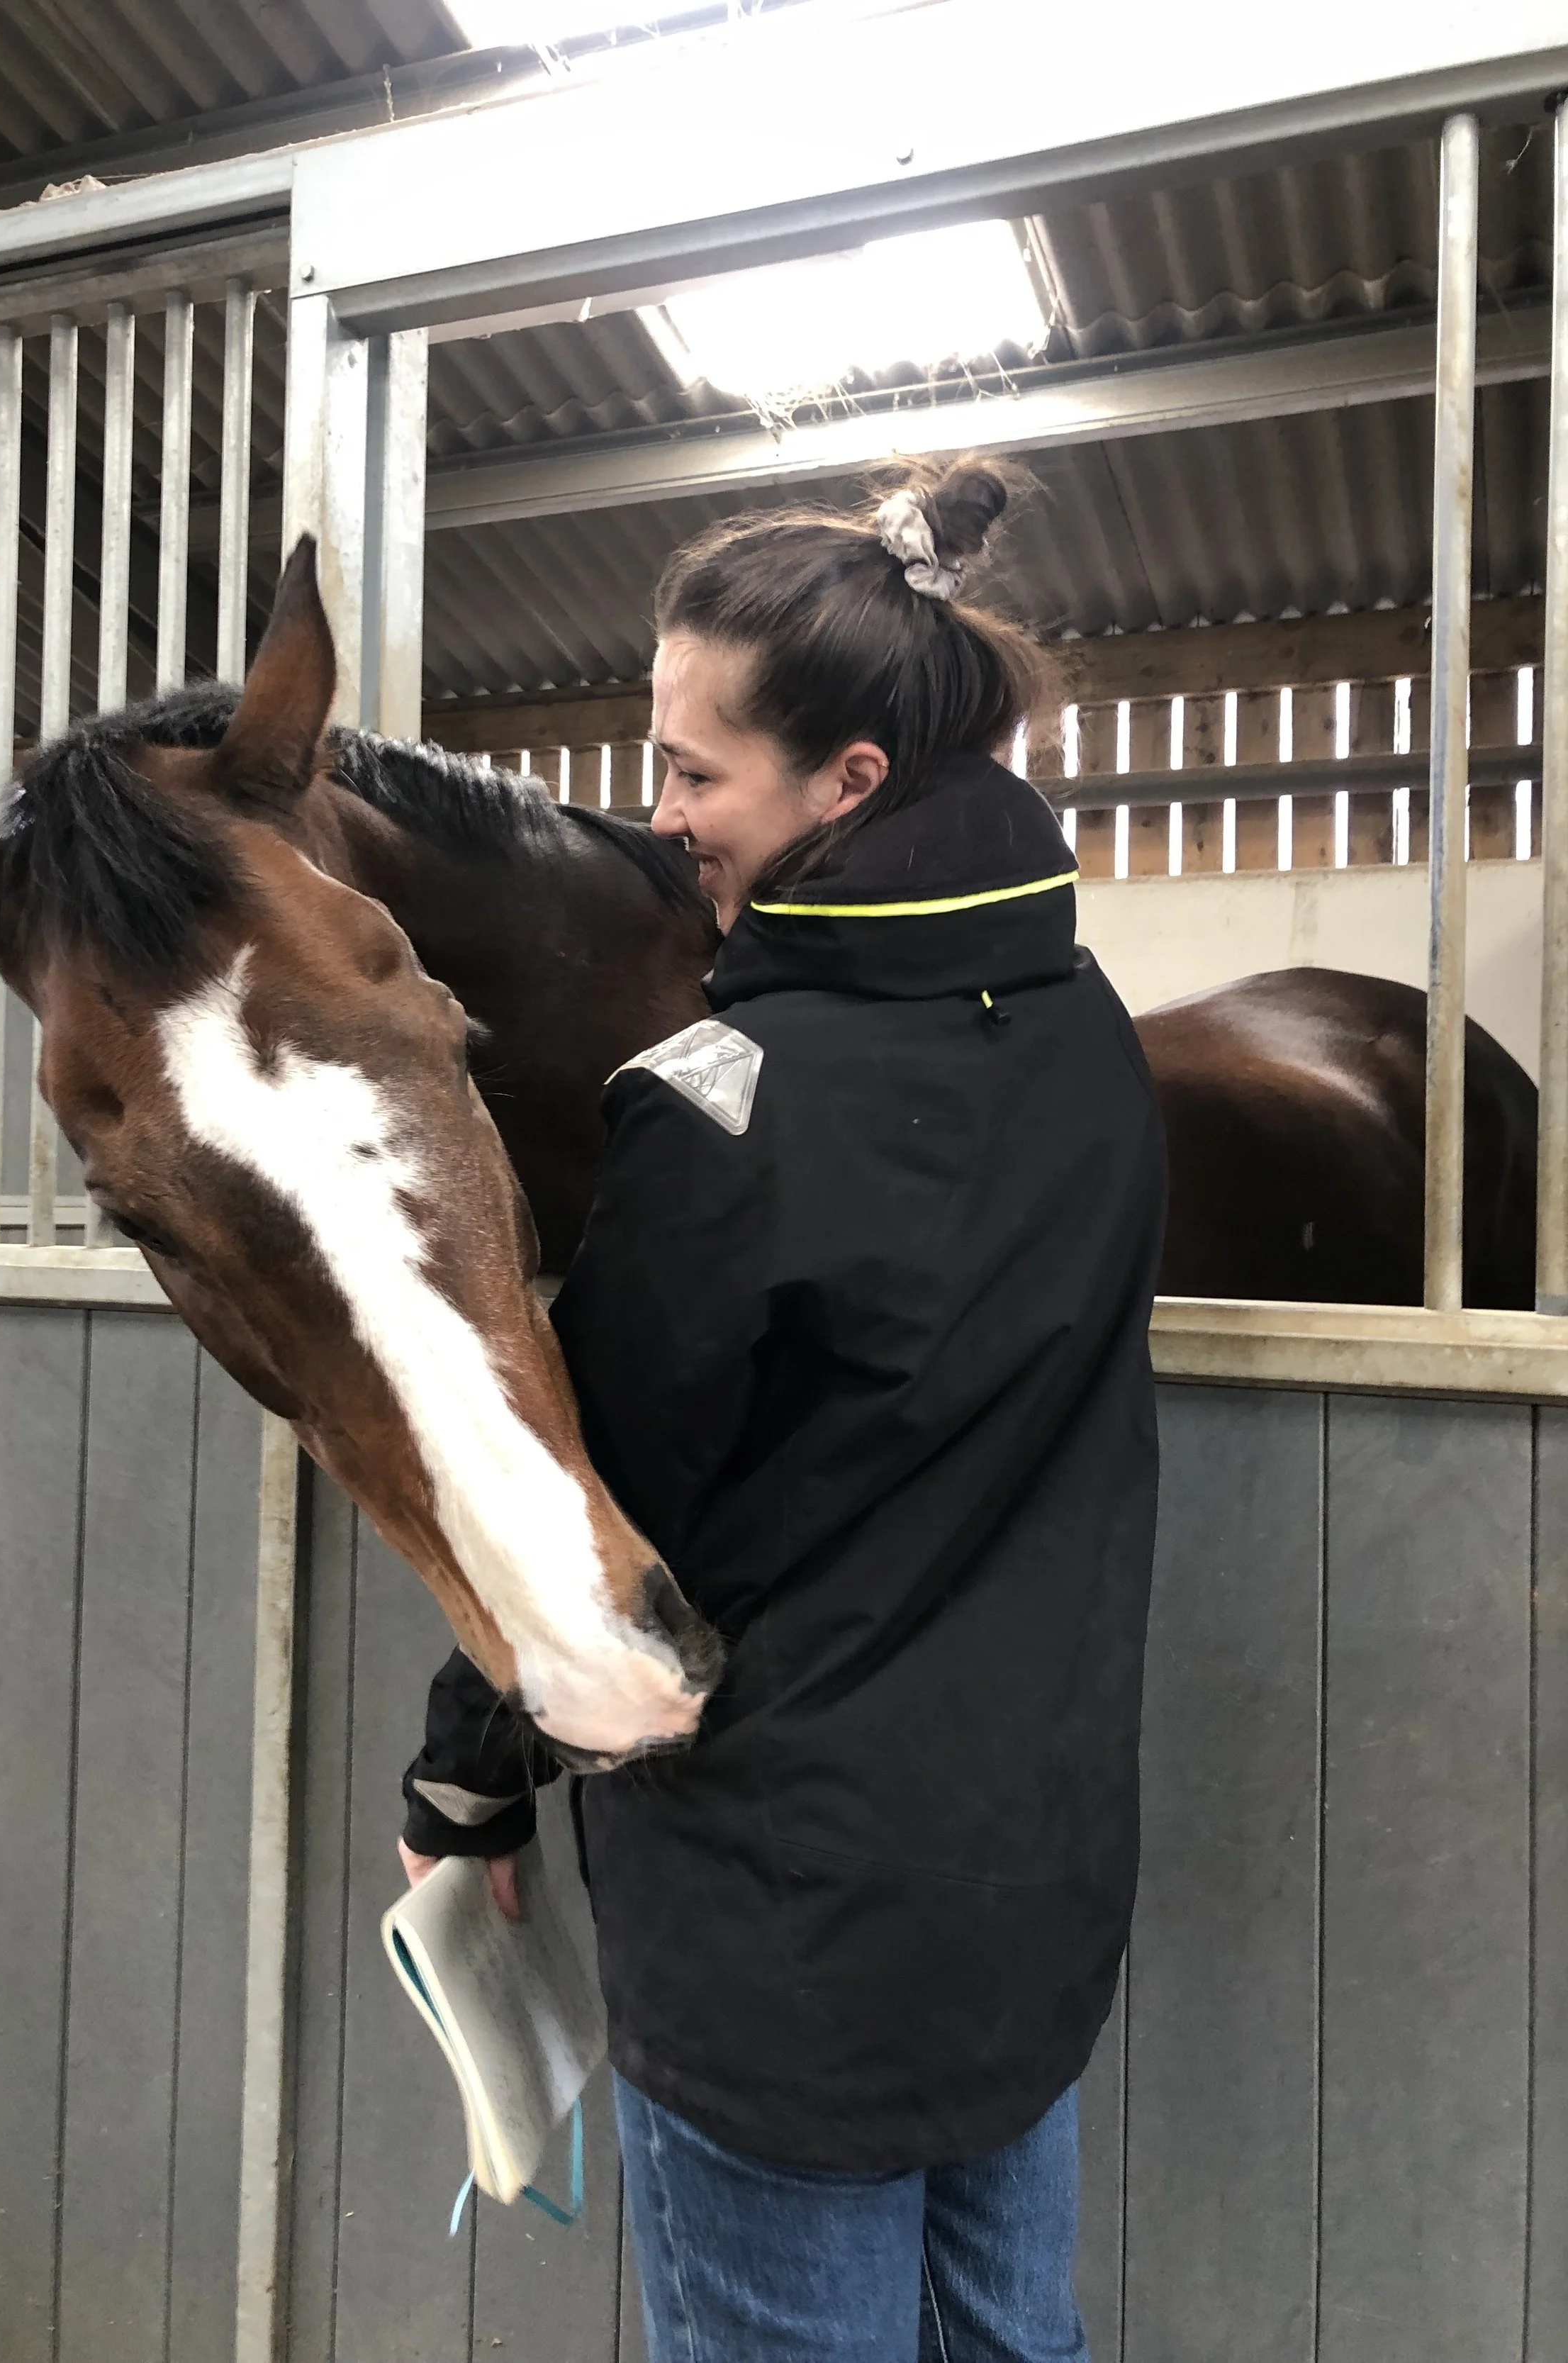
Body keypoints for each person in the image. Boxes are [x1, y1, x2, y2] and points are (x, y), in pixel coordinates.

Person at [399, 454, 1166, 2363]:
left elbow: (602, 1515)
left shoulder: (723, 1097)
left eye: (694, 775)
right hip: (1032, 1873)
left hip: (786, 1924)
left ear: (849, 784)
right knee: (1009, 2337)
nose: (660, 824)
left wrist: (464, 1775)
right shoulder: (1091, 1041)